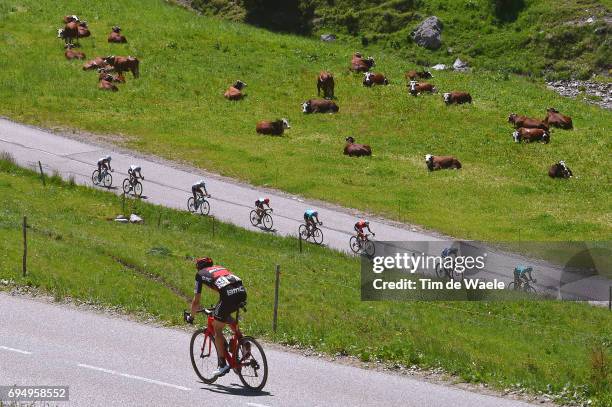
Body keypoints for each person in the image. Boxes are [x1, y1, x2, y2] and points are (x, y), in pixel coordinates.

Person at [184, 257, 247, 378]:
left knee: (217, 329)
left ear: (198, 267)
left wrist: (191, 317)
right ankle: (244, 343)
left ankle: (222, 364)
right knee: (224, 314)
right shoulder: (219, 268)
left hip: (228, 296)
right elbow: (224, 287)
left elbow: (196, 301)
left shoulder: (200, 275)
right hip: (241, 291)